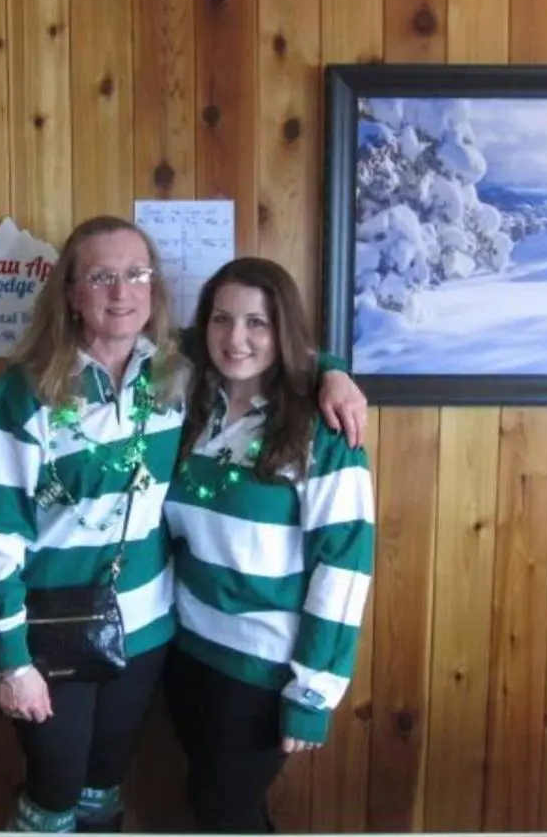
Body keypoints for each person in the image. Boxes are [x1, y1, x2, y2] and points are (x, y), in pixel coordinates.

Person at [0, 216, 367, 834]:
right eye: (100, 276)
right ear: (70, 291)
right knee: (55, 792)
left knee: (106, 789)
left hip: (152, 634)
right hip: (55, 631)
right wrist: (9, 659)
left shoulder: (173, 375)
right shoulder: (32, 391)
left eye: (135, 275)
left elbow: (262, 342)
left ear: (152, 289)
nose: (120, 292)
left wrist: (331, 370)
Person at [161, 256, 376, 833]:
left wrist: (313, 693)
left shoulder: (323, 427)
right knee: (225, 811)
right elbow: (147, 336)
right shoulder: (189, 404)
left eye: (258, 323)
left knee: (218, 810)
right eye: (222, 319)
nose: (236, 338)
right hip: (184, 653)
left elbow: (345, 566)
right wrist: (327, 363)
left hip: (262, 669)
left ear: (284, 331)